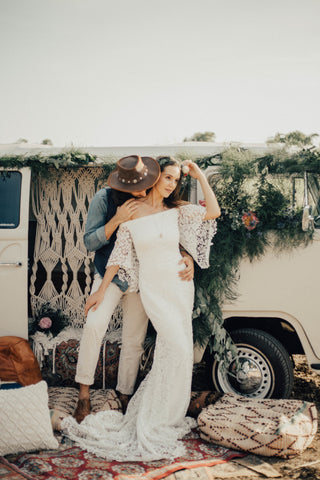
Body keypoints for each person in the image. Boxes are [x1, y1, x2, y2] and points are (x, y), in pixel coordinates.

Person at [63, 157, 220, 461]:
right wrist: (100, 290)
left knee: (166, 345)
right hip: (134, 282)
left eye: (175, 179)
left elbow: (201, 219)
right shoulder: (116, 203)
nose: (171, 183)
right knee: (107, 328)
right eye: (168, 177)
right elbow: (108, 250)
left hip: (171, 286)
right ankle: (93, 396)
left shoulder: (174, 208)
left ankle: (149, 404)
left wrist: (199, 176)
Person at [74, 155, 194, 423]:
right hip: (111, 274)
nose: (142, 191)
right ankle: (83, 392)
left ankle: (125, 393)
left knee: (134, 339)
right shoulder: (103, 199)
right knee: (94, 324)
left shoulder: (155, 200)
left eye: (145, 184)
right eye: (137, 189)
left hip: (145, 279)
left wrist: (186, 256)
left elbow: (163, 232)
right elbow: (90, 242)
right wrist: (116, 220)